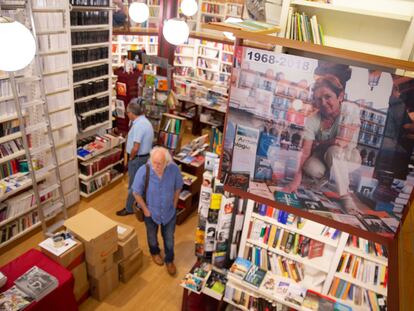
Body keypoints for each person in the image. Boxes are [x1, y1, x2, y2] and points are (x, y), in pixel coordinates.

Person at [284, 75, 361, 213]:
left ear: (340, 96)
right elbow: (306, 151)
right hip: (324, 158)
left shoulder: (350, 110)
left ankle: (345, 196)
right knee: (310, 167)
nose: (323, 102)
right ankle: (331, 179)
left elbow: (342, 142)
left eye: (328, 97)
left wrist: (320, 144)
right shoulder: (313, 119)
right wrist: (296, 181)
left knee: (334, 151)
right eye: (319, 99)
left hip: (349, 156)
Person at [131, 146, 183, 276]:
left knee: (169, 238)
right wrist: (145, 210)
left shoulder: (173, 169)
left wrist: (175, 203)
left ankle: (169, 260)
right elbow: (136, 192)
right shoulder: (144, 170)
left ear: (167, 162)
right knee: (152, 236)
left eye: (160, 163)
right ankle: (155, 252)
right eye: (154, 162)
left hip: (169, 212)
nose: (156, 165)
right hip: (151, 213)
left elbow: (178, 187)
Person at [116, 97, 154, 216]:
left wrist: (131, 158)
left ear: (131, 113)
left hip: (137, 158)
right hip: (144, 157)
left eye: (128, 113)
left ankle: (129, 208)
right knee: (142, 182)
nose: (127, 115)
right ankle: (140, 204)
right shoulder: (145, 122)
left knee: (133, 184)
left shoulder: (139, 125)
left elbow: (136, 147)